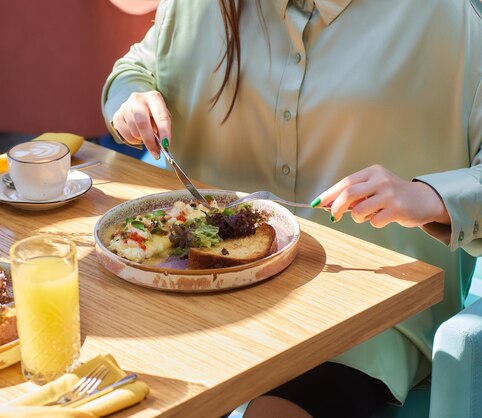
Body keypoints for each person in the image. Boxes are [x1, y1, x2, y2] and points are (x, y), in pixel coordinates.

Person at [101, 0, 482, 416]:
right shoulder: (199, 8)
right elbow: (133, 70)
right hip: (194, 300)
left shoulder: (451, 17)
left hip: (360, 320)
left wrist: (430, 197)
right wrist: (132, 101)